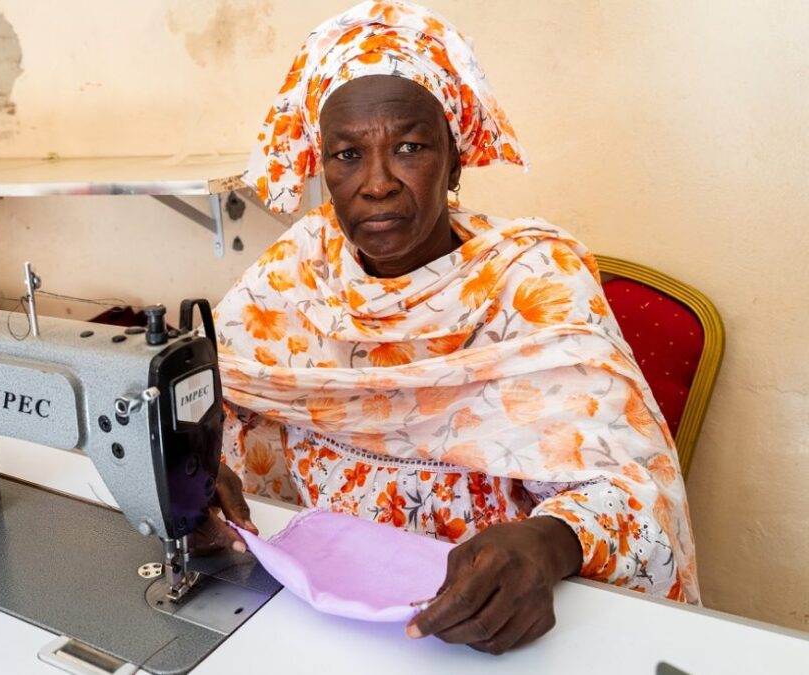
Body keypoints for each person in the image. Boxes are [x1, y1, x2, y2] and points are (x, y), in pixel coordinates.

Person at [194, 0, 697, 654]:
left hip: (498, 629)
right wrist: (198, 467)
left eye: (409, 147)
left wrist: (548, 543)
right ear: (324, 168)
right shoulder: (291, 277)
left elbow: (638, 490)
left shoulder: (532, 281)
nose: (376, 183)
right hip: (328, 625)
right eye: (348, 154)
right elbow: (214, 408)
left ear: (455, 161)